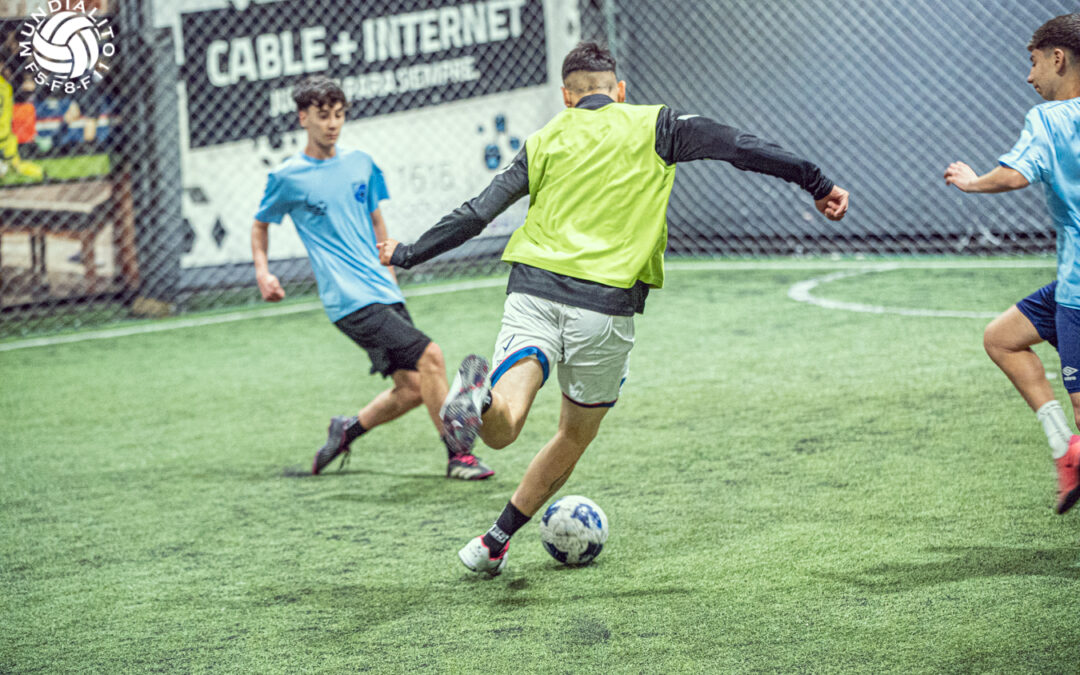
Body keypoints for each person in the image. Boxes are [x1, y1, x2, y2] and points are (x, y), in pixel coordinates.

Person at [377, 42, 848, 575]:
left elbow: (477, 212)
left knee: (503, 426)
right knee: (574, 433)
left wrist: (408, 253)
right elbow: (740, 146)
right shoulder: (658, 126)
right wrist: (817, 182)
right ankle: (495, 538)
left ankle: (480, 409)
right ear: (619, 90)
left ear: (567, 97)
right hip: (601, 308)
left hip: (532, 292)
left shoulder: (543, 140)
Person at [252, 75, 494, 481]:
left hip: (382, 289)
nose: (333, 123)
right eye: (323, 115)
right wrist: (263, 272)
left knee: (412, 387)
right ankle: (459, 457)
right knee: (431, 356)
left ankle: (346, 431)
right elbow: (260, 225)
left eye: (339, 114)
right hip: (347, 299)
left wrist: (390, 272)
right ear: (303, 118)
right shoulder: (287, 178)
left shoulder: (361, 163)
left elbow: (376, 220)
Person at [946, 13, 1080, 515]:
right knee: (1001, 337)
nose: (1029, 76)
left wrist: (971, 182)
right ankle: (1064, 450)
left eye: (1034, 62)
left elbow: (1014, 175)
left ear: (1058, 58)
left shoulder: (1048, 118)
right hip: (1067, 284)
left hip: (1078, 291)